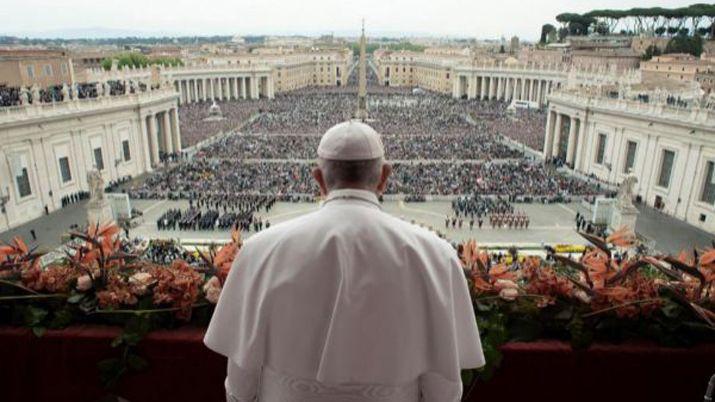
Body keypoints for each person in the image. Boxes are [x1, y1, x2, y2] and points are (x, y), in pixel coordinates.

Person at [205, 120, 484, 402]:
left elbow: (241, 381)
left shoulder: (258, 251)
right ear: (384, 176)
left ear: (318, 178)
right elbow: (443, 383)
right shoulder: (435, 255)